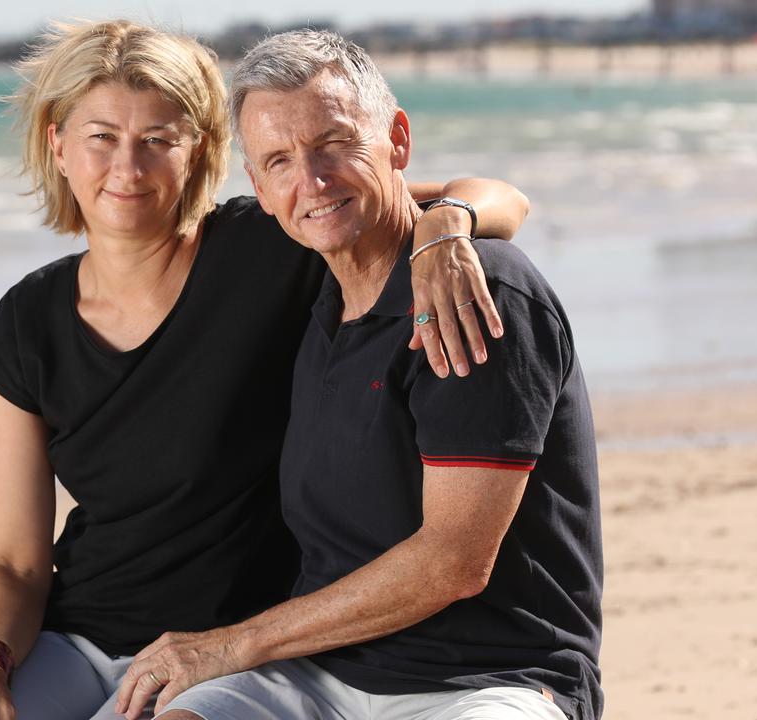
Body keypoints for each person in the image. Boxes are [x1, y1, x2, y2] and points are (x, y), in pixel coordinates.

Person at [0, 20, 532, 720]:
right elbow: (12, 561)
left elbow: (491, 198)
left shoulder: (274, 243)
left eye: (158, 139)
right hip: (77, 640)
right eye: (101, 137)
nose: (128, 168)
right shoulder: (25, 325)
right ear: (58, 144)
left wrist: (447, 226)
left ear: (202, 152)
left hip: (241, 649)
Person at [114, 30, 602, 720]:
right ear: (257, 185)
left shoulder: (474, 288)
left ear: (397, 141)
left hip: (488, 679)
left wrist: (230, 644)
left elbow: (453, 563)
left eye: (334, 144)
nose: (311, 181)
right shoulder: (314, 288)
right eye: (278, 160)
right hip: (318, 675)